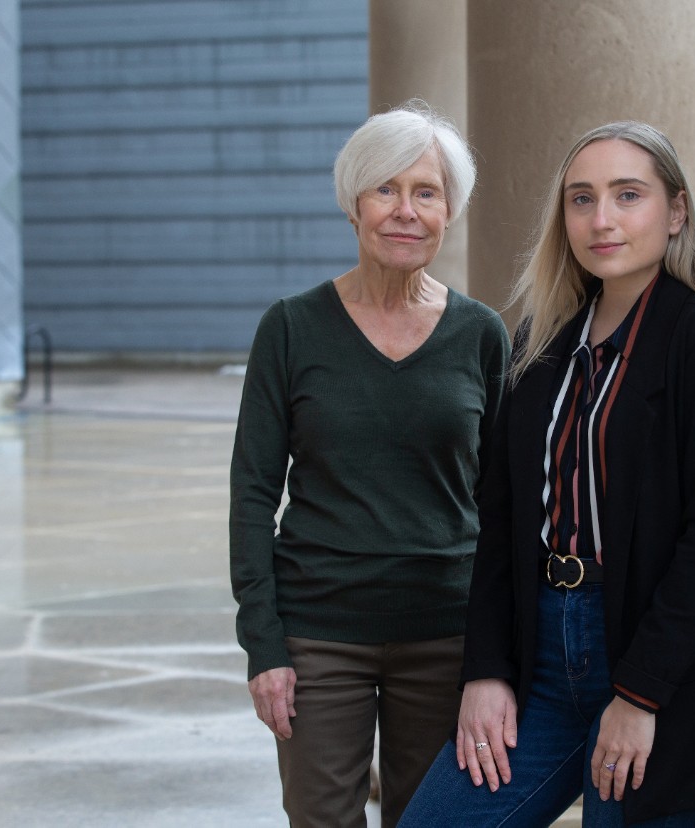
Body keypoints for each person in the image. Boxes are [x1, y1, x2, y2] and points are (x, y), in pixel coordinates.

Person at [399, 121, 695, 827]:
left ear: (676, 211)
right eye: (582, 199)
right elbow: (500, 520)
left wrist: (641, 695)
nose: (602, 220)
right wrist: (488, 669)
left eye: (629, 196)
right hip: (540, 653)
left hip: (648, 659)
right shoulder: (542, 341)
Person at [229, 100, 510, 827]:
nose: (405, 211)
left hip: (445, 634)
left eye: (426, 192)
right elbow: (252, 496)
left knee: (433, 821)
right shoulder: (291, 328)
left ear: (450, 210)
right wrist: (264, 645)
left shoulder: (481, 335)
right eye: (385, 189)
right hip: (319, 633)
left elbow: (506, 503)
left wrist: (496, 659)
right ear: (353, 203)